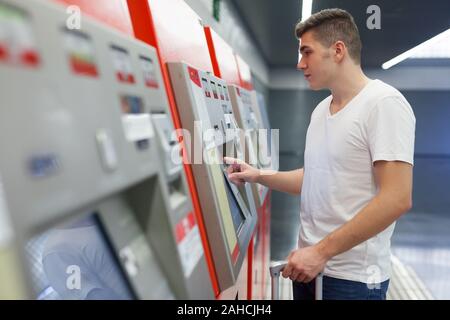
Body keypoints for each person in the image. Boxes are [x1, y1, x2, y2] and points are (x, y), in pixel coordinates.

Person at [225, 8, 415, 300]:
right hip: (308, 267)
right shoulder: (320, 111)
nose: (300, 64)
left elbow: (397, 198)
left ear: (338, 50)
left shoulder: (383, 104)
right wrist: (257, 175)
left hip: (352, 281)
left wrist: (320, 252)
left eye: (307, 53)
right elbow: (314, 177)